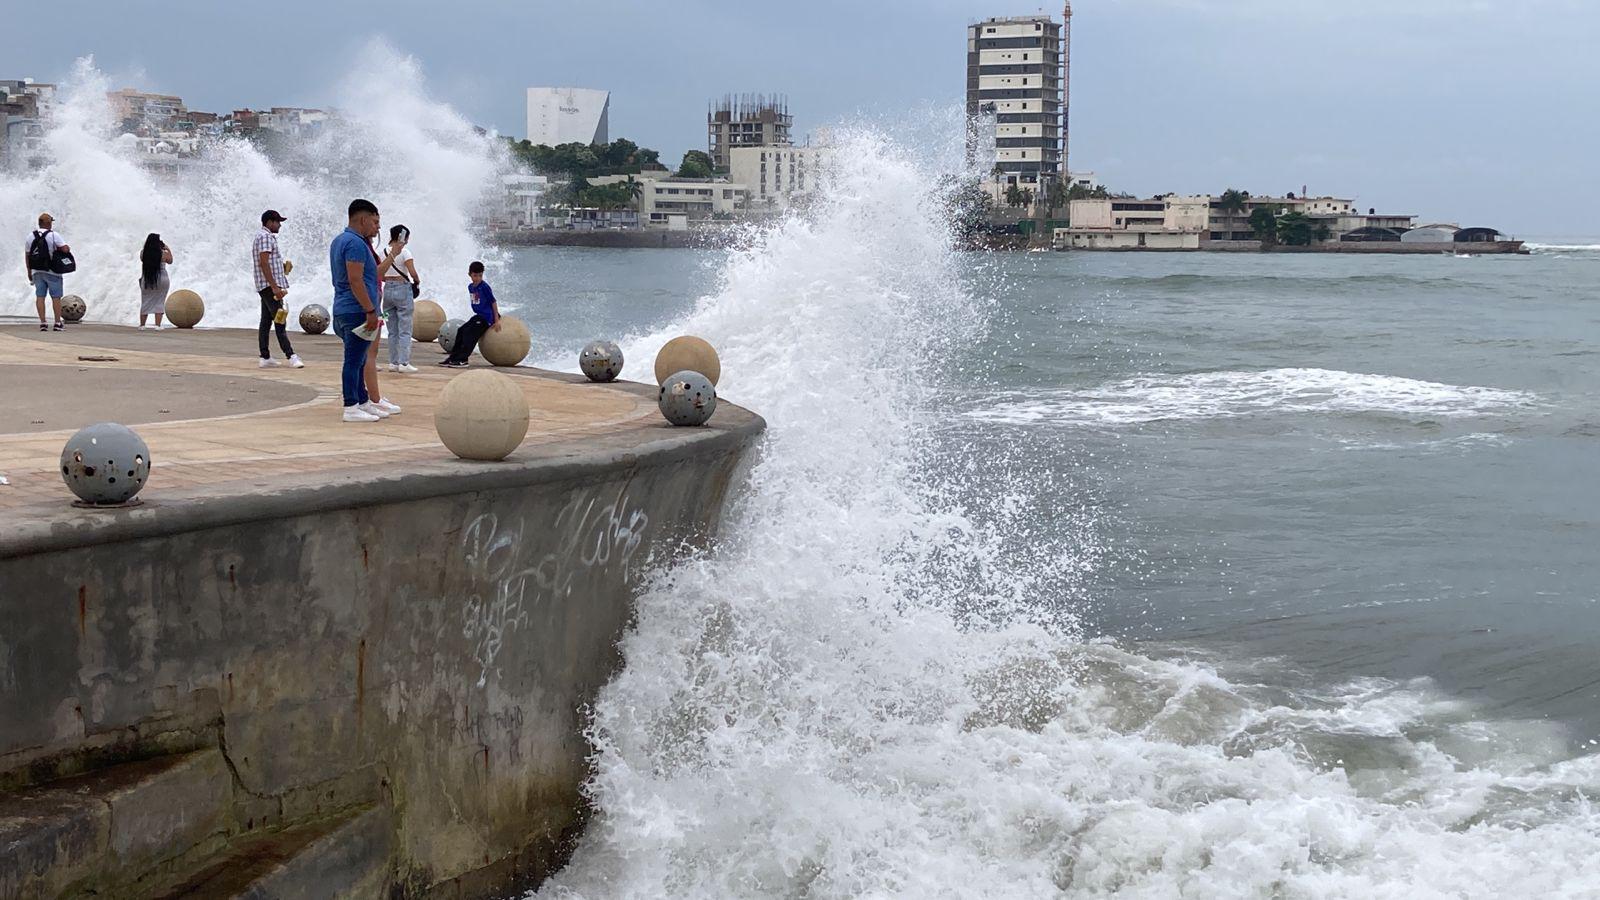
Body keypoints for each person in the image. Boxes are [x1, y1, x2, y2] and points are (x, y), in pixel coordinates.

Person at [330, 199, 403, 422]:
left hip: (345, 309)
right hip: (355, 311)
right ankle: (351, 406)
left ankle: (363, 401)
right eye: (375, 222)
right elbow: (355, 280)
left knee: (360, 359)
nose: (378, 227)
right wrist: (370, 310)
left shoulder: (341, 240)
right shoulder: (355, 244)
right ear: (363, 219)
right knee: (353, 360)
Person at [253, 209, 304, 368]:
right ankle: (291, 356)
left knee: (266, 320)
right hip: (269, 286)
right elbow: (263, 263)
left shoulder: (263, 237)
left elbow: (267, 262)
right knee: (280, 318)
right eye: (278, 222)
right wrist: (275, 287)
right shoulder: (265, 237)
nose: (280, 225)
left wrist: (282, 268)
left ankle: (265, 356)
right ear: (269, 222)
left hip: (266, 284)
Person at [440, 260, 501, 368]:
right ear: (470, 275)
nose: (477, 278)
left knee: (470, 334)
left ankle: (463, 359)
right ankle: (453, 357)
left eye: (480, 275)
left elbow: (493, 302)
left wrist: (496, 321)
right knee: (461, 330)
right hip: (479, 316)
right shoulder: (471, 287)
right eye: (475, 275)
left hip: (487, 318)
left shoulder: (485, 287)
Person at [379, 224, 419, 374]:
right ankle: (404, 363)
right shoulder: (405, 252)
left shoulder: (382, 252)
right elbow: (412, 273)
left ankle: (392, 362)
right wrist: (417, 281)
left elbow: (380, 273)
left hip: (387, 292)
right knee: (405, 328)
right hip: (403, 291)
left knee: (392, 330)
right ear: (404, 237)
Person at [23, 213, 70, 332]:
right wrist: (65, 248)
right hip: (52, 271)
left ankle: (43, 323)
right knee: (56, 297)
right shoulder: (54, 235)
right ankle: (57, 323)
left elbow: (27, 255)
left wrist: (29, 271)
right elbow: (65, 249)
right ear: (48, 223)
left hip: (36, 271)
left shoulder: (30, 236)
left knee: (40, 296)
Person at [138, 234, 172, 329]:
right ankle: (157, 325)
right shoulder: (163, 253)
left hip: (147, 279)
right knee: (159, 301)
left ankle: (142, 325)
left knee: (145, 301)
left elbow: (143, 260)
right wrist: (167, 249)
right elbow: (170, 260)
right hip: (162, 279)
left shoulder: (143, 253)